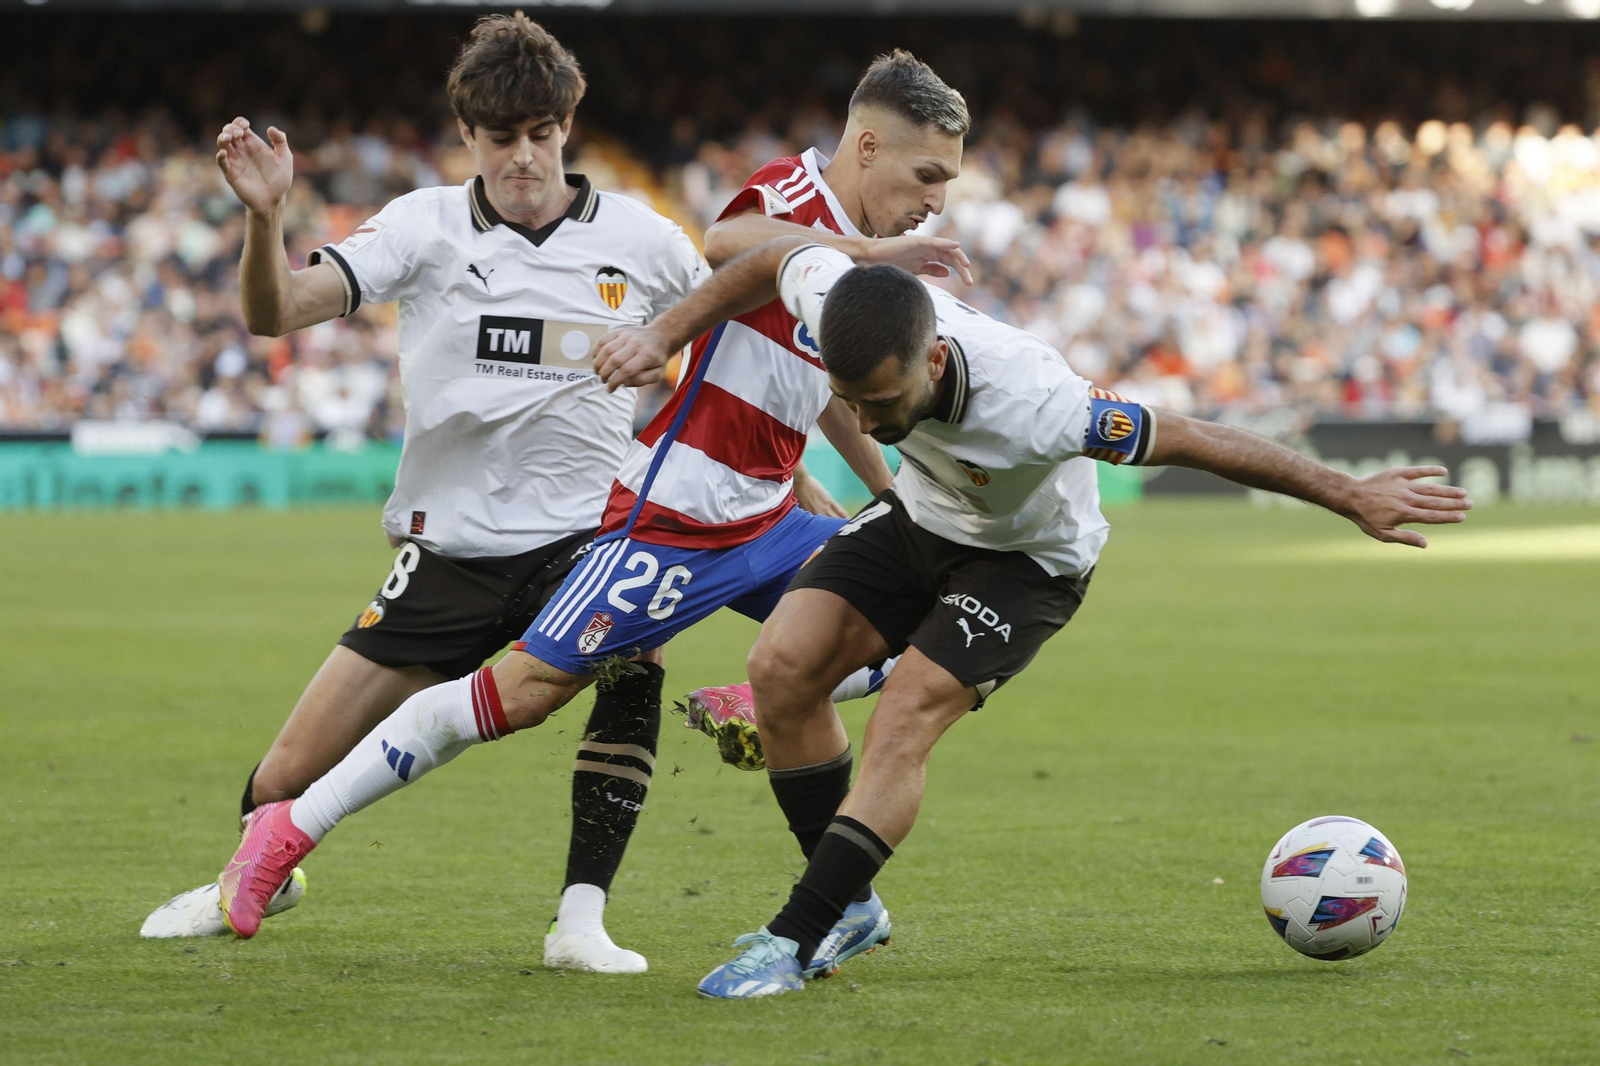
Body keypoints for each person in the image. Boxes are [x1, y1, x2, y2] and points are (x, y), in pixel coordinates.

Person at [210, 52, 976, 982]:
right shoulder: (793, 191)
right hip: (669, 514)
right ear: (866, 146)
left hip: (763, 514)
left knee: (943, 612)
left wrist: (880, 494)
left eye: (944, 184)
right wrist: (876, 259)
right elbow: (737, 247)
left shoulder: (732, 243)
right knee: (527, 693)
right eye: (927, 176)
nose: (935, 201)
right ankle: (288, 828)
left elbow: (815, 377)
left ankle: (827, 865)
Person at [577, 235, 1474, 997]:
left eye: (882, 403)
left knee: (905, 716)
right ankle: (850, 909)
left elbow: (1202, 439)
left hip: (1029, 562)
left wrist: (1347, 492)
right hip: (922, 517)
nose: (864, 419)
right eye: (849, 402)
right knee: (780, 668)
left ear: (932, 361)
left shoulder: (1041, 407)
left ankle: (795, 935)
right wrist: (663, 331)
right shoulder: (837, 303)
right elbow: (767, 256)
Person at [141, 12, 716, 938]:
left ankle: (582, 920)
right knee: (283, 778)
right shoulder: (424, 226)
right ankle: (261, 872)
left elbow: (714, 352)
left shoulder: (646, 241)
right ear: (467, 137)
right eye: (501, 138)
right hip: (446, 550)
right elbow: (276, 312)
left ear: (568, 125)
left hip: (583, 539)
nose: (523, 157)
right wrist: (265, 217)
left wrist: (670, 365)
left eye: (540, 134)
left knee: (634, 662)